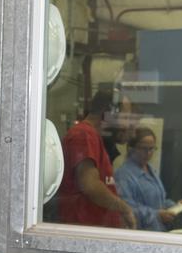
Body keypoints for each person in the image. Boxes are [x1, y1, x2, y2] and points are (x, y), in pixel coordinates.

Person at [58, 87, 137, 228]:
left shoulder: (93, 136)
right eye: (124, 117)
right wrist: (124, 209)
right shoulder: (83, 134)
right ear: (110, 112)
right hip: (83, 229)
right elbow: (90, 185)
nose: (126, 126)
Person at [114, 127, 178, 231]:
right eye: (143, 148)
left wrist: (174, 206)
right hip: (140, 233)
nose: (148, 153)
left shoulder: (151, 169)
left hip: (158, 231)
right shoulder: (123, 175)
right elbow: (127, 209)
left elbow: (158, 202)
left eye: (151, 148)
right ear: (131, 149)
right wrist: (157, 215)